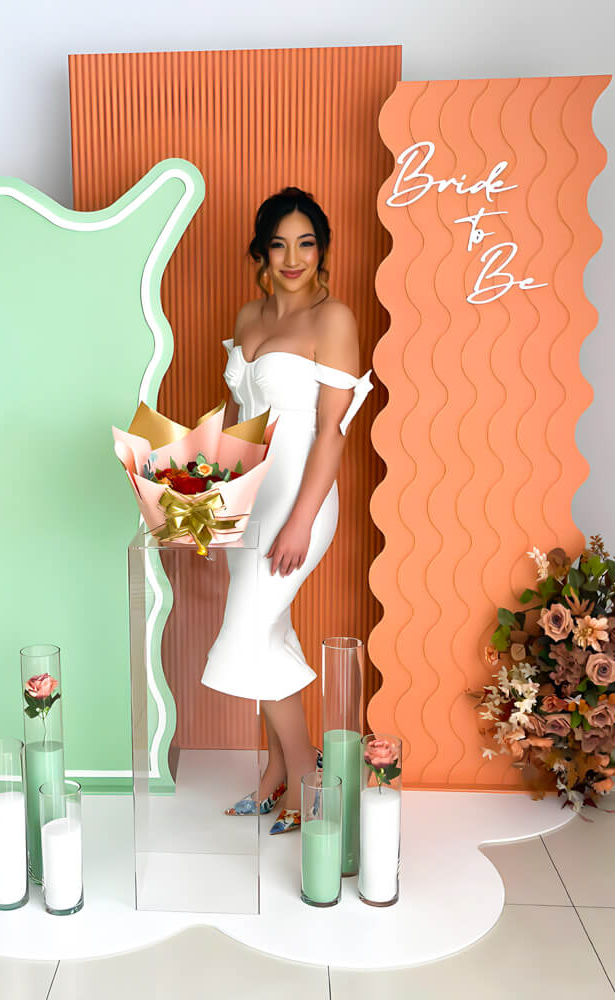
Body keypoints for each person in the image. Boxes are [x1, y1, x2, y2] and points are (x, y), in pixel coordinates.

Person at [201, 187, 373, 834]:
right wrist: (209, 499)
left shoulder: (334, 321)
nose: (294, 256)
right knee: (268, 632)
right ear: (262, 250)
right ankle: (279, 772)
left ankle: (308, 773)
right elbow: (241, 419)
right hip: (250, 495)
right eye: (280, 243)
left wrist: (302, 518)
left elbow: (331, 432)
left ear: (321, 250)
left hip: (301, 494)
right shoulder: (249, 316)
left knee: (246, 631)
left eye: (306, 242)